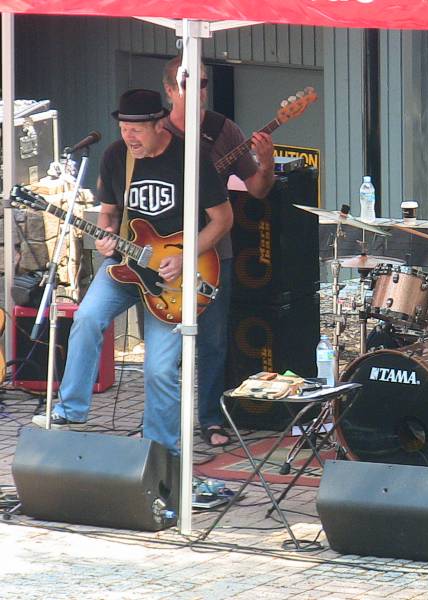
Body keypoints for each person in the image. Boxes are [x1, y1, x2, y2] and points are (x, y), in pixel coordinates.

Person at [32, 89, 232, 454]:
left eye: (137, 129)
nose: (129, 136)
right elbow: (108, 215)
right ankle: (71, 408)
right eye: (124, 128)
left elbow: (223, 220)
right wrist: (106, 237)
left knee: (158, 369)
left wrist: (186, 257)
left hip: (174, 277)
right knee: (87, 317)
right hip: (125, 265)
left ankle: (161, 452)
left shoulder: (191, 159)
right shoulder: (115, 157)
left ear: (160, 124)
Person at [162, 56, 275, 447]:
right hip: (162, 250)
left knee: (212, 339)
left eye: (205, 83)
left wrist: (268, 160)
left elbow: (257, 189)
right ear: (169, 90)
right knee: (164, 340)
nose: (200, 91)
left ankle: (210, 419)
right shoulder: (156, 132)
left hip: (215, 251)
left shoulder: (223, 130)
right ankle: (164, 422)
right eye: (190, 84)